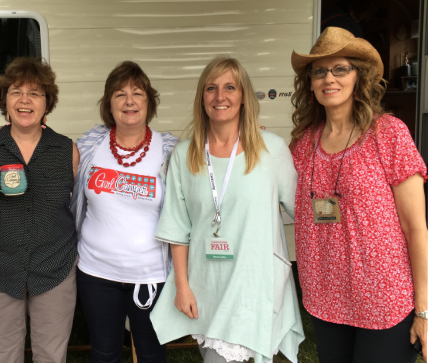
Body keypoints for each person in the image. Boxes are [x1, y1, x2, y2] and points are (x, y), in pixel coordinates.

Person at [149, 56, 305, 363]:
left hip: (255, 285)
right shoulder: (185, 156)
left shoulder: (271, 149)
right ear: (202, 98)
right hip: (208, 285)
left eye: (230, 87)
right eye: (211, 88)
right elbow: (177, 227)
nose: (220, 96)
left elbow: (303, 211)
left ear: (244, 95)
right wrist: (182, 286)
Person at [290, 27, 427, 362]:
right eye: (319, 71)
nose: (328, 78)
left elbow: (416, 229)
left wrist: (424, 311)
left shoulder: (388, 134)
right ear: (309, 83)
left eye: (340, 69)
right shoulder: (303, 144)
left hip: (384, 299)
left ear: (358, 77)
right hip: (326, 297)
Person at [0, 56, 80, 363]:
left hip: (55, 268)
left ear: (47, 103)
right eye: (16, 91)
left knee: (52, 356)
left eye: (35, 93)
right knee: (2, 356)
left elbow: (78, 209)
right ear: (6, 101)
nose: (25, 100)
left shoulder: (67, 150)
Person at [71, 61, 178, 363]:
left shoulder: (170, 150)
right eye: (120, 94)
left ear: (149, 102)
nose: (129, 101)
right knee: (104, 354)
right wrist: (14, 133)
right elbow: (50, 154)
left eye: (138, 93)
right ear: (109, 104)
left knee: (152, 354)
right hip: (96, 273)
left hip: (151, 276)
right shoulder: (92, 144)